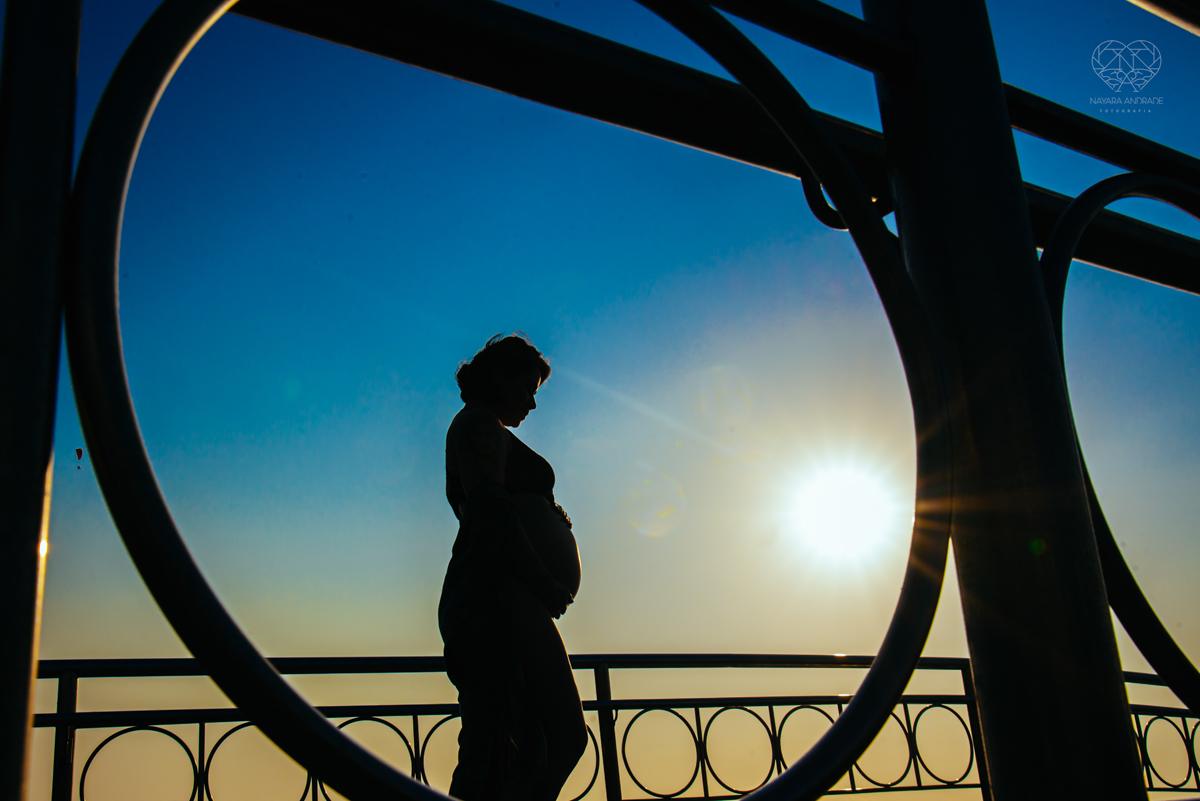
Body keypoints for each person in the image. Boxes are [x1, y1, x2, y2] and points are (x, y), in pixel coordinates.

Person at [439, 333, 587, 801]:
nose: (532, 404)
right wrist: (544, 580)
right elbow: (489, 513)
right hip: (500, 596)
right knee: (541, 739)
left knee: (527, 743)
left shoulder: (485, 429)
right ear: (498, 376)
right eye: (528, 388)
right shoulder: (478, 425)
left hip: (511, 595)